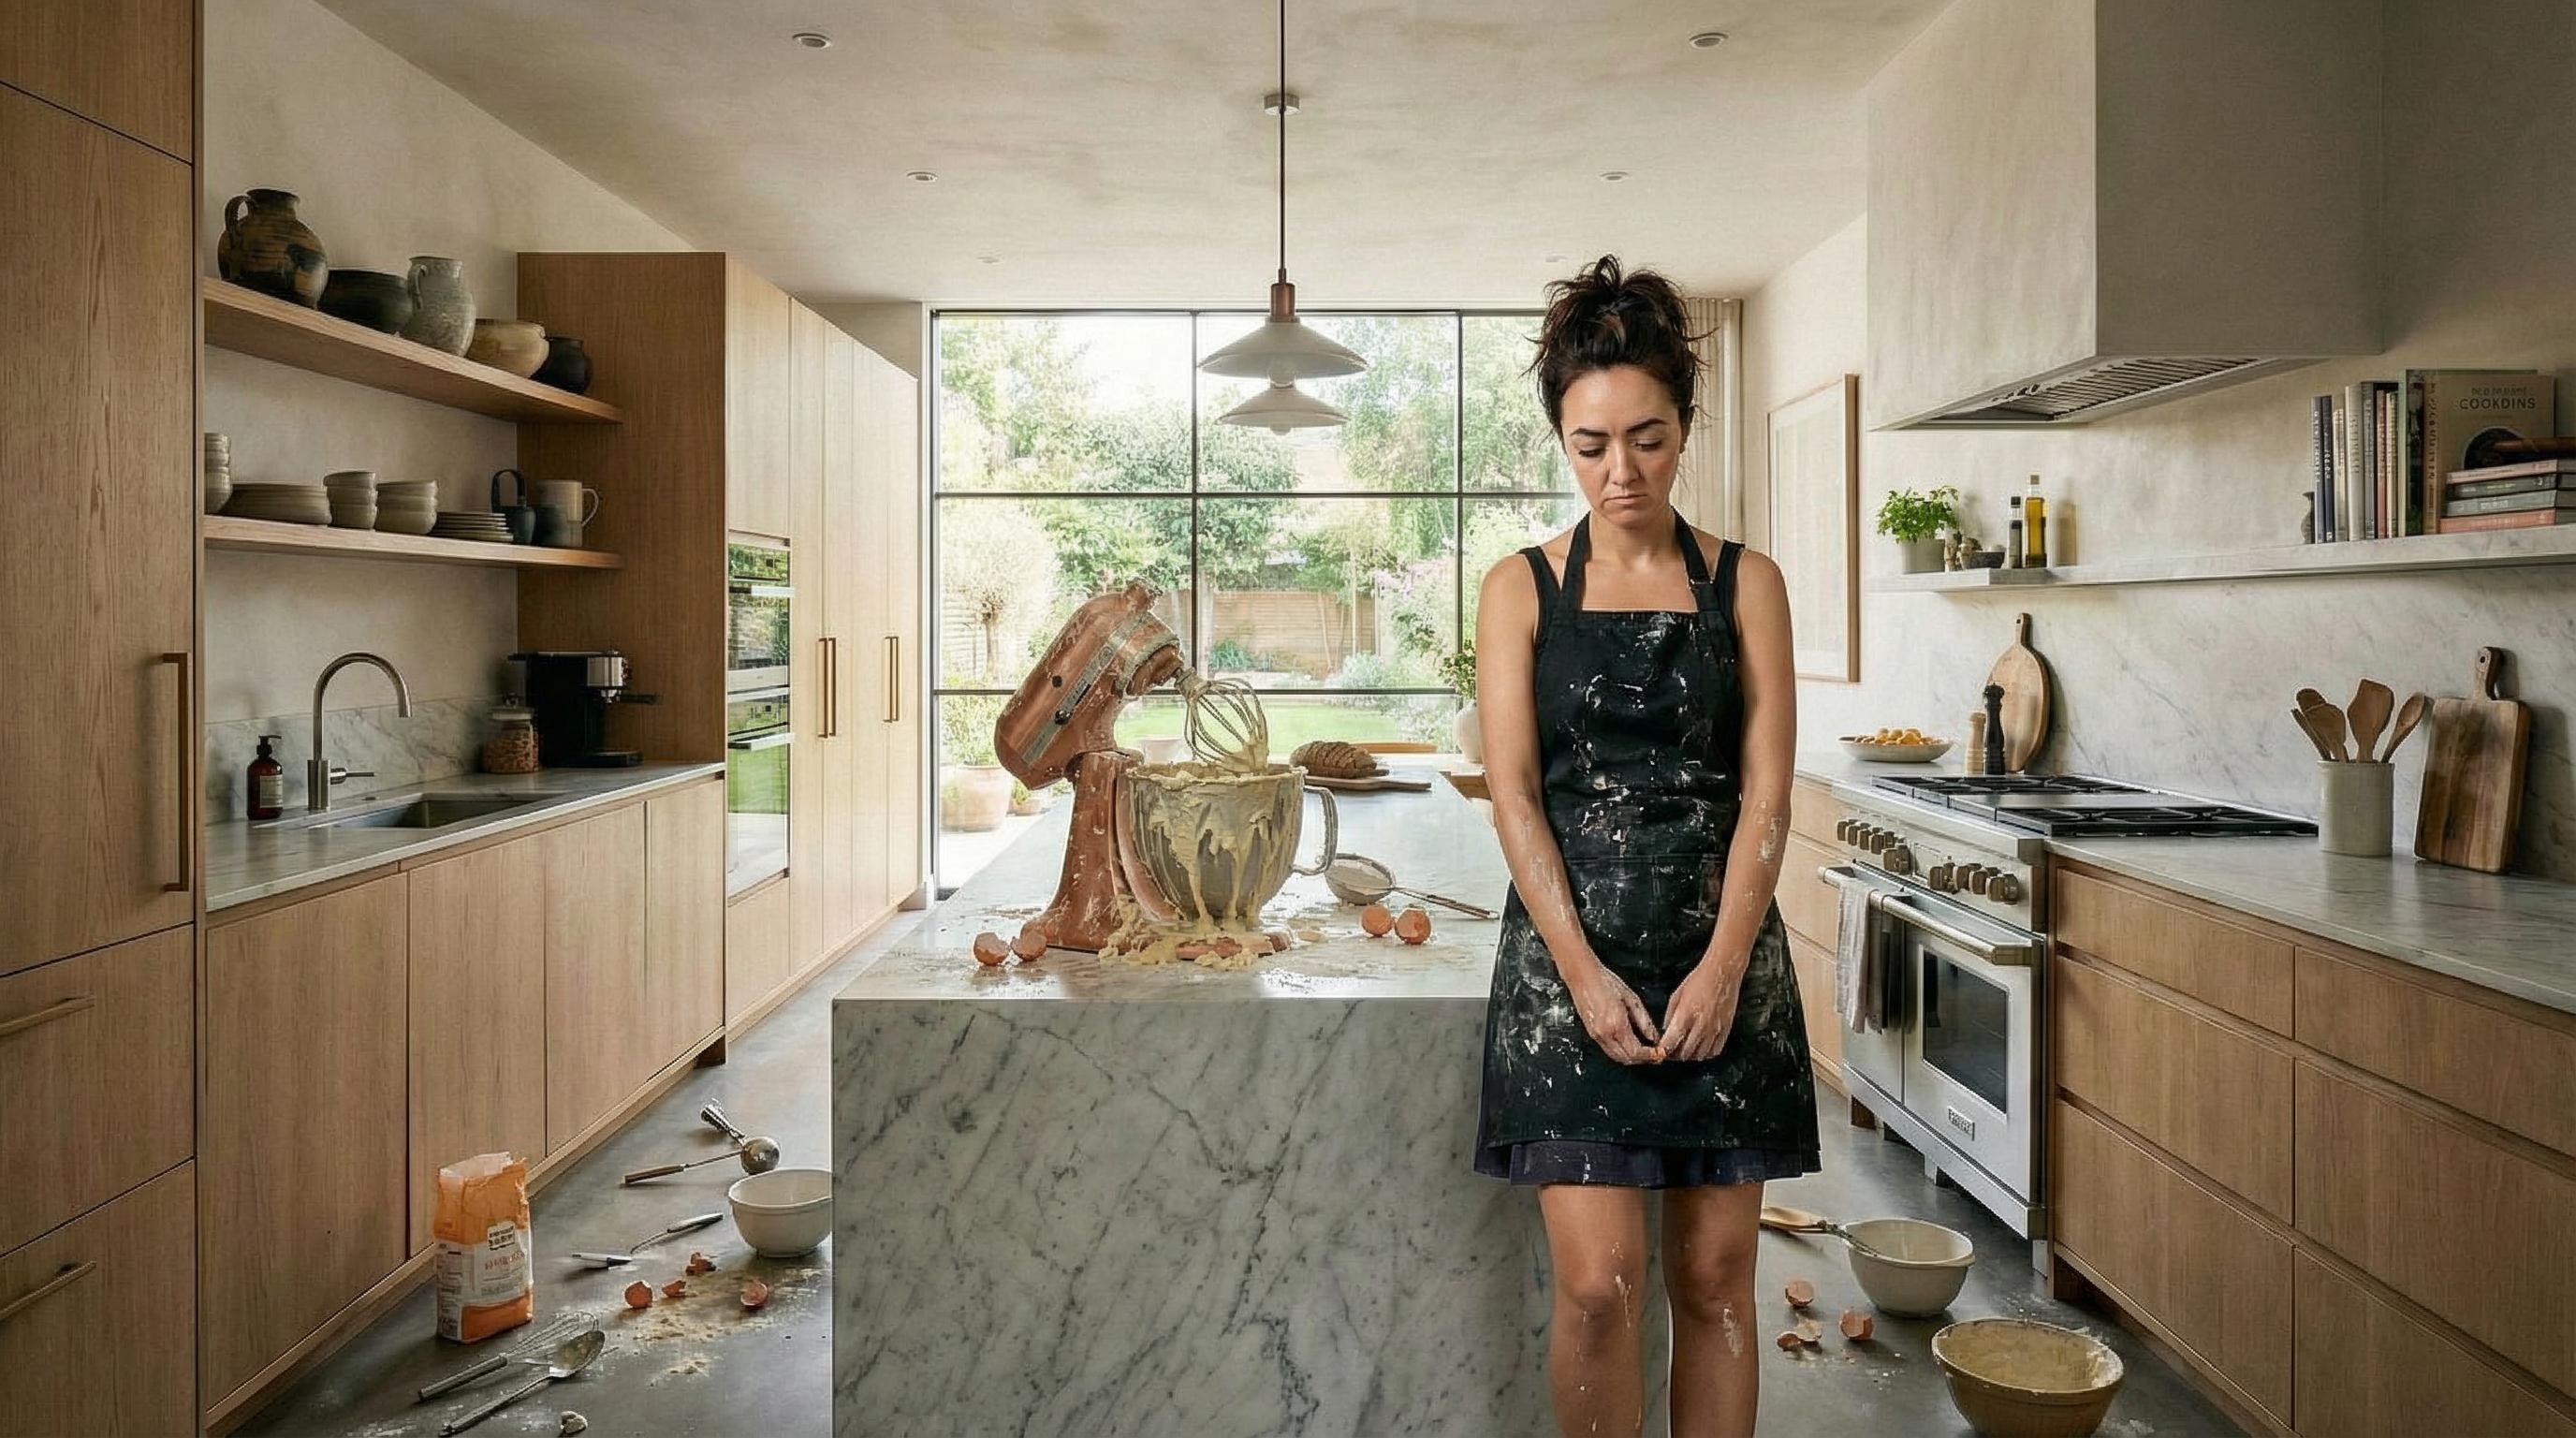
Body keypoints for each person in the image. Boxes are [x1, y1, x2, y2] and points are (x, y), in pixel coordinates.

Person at [1474, 256, 1818, 1438]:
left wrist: (1725, 970)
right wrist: (1578, 972)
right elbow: (1515, 795)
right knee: (1597, 1288)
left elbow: (1767, 797)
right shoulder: (1517, 589)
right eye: (1590, 444)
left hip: (1722, 957)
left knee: (1718, 1290)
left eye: (1648, 438)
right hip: (1567, 971)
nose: (1620, 472)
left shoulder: (1748, 585)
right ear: (1560, 440)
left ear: (1685, 428)